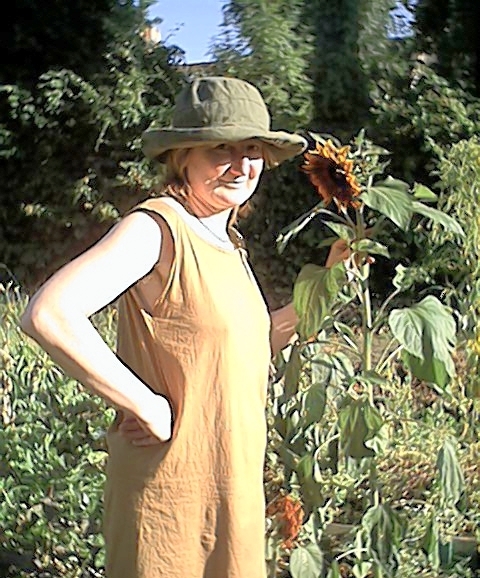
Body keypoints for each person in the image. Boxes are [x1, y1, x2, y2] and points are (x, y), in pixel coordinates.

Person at [20, 76, 346, 578]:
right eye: (221, 148)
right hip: (171, 490)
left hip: (229, 484)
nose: (242, 165)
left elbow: (253, 345)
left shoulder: (227, 244)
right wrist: (143, 403)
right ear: (182, 157)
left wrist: (330, 278)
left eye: (253, 148)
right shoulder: (156, 227)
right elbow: (50, 314)